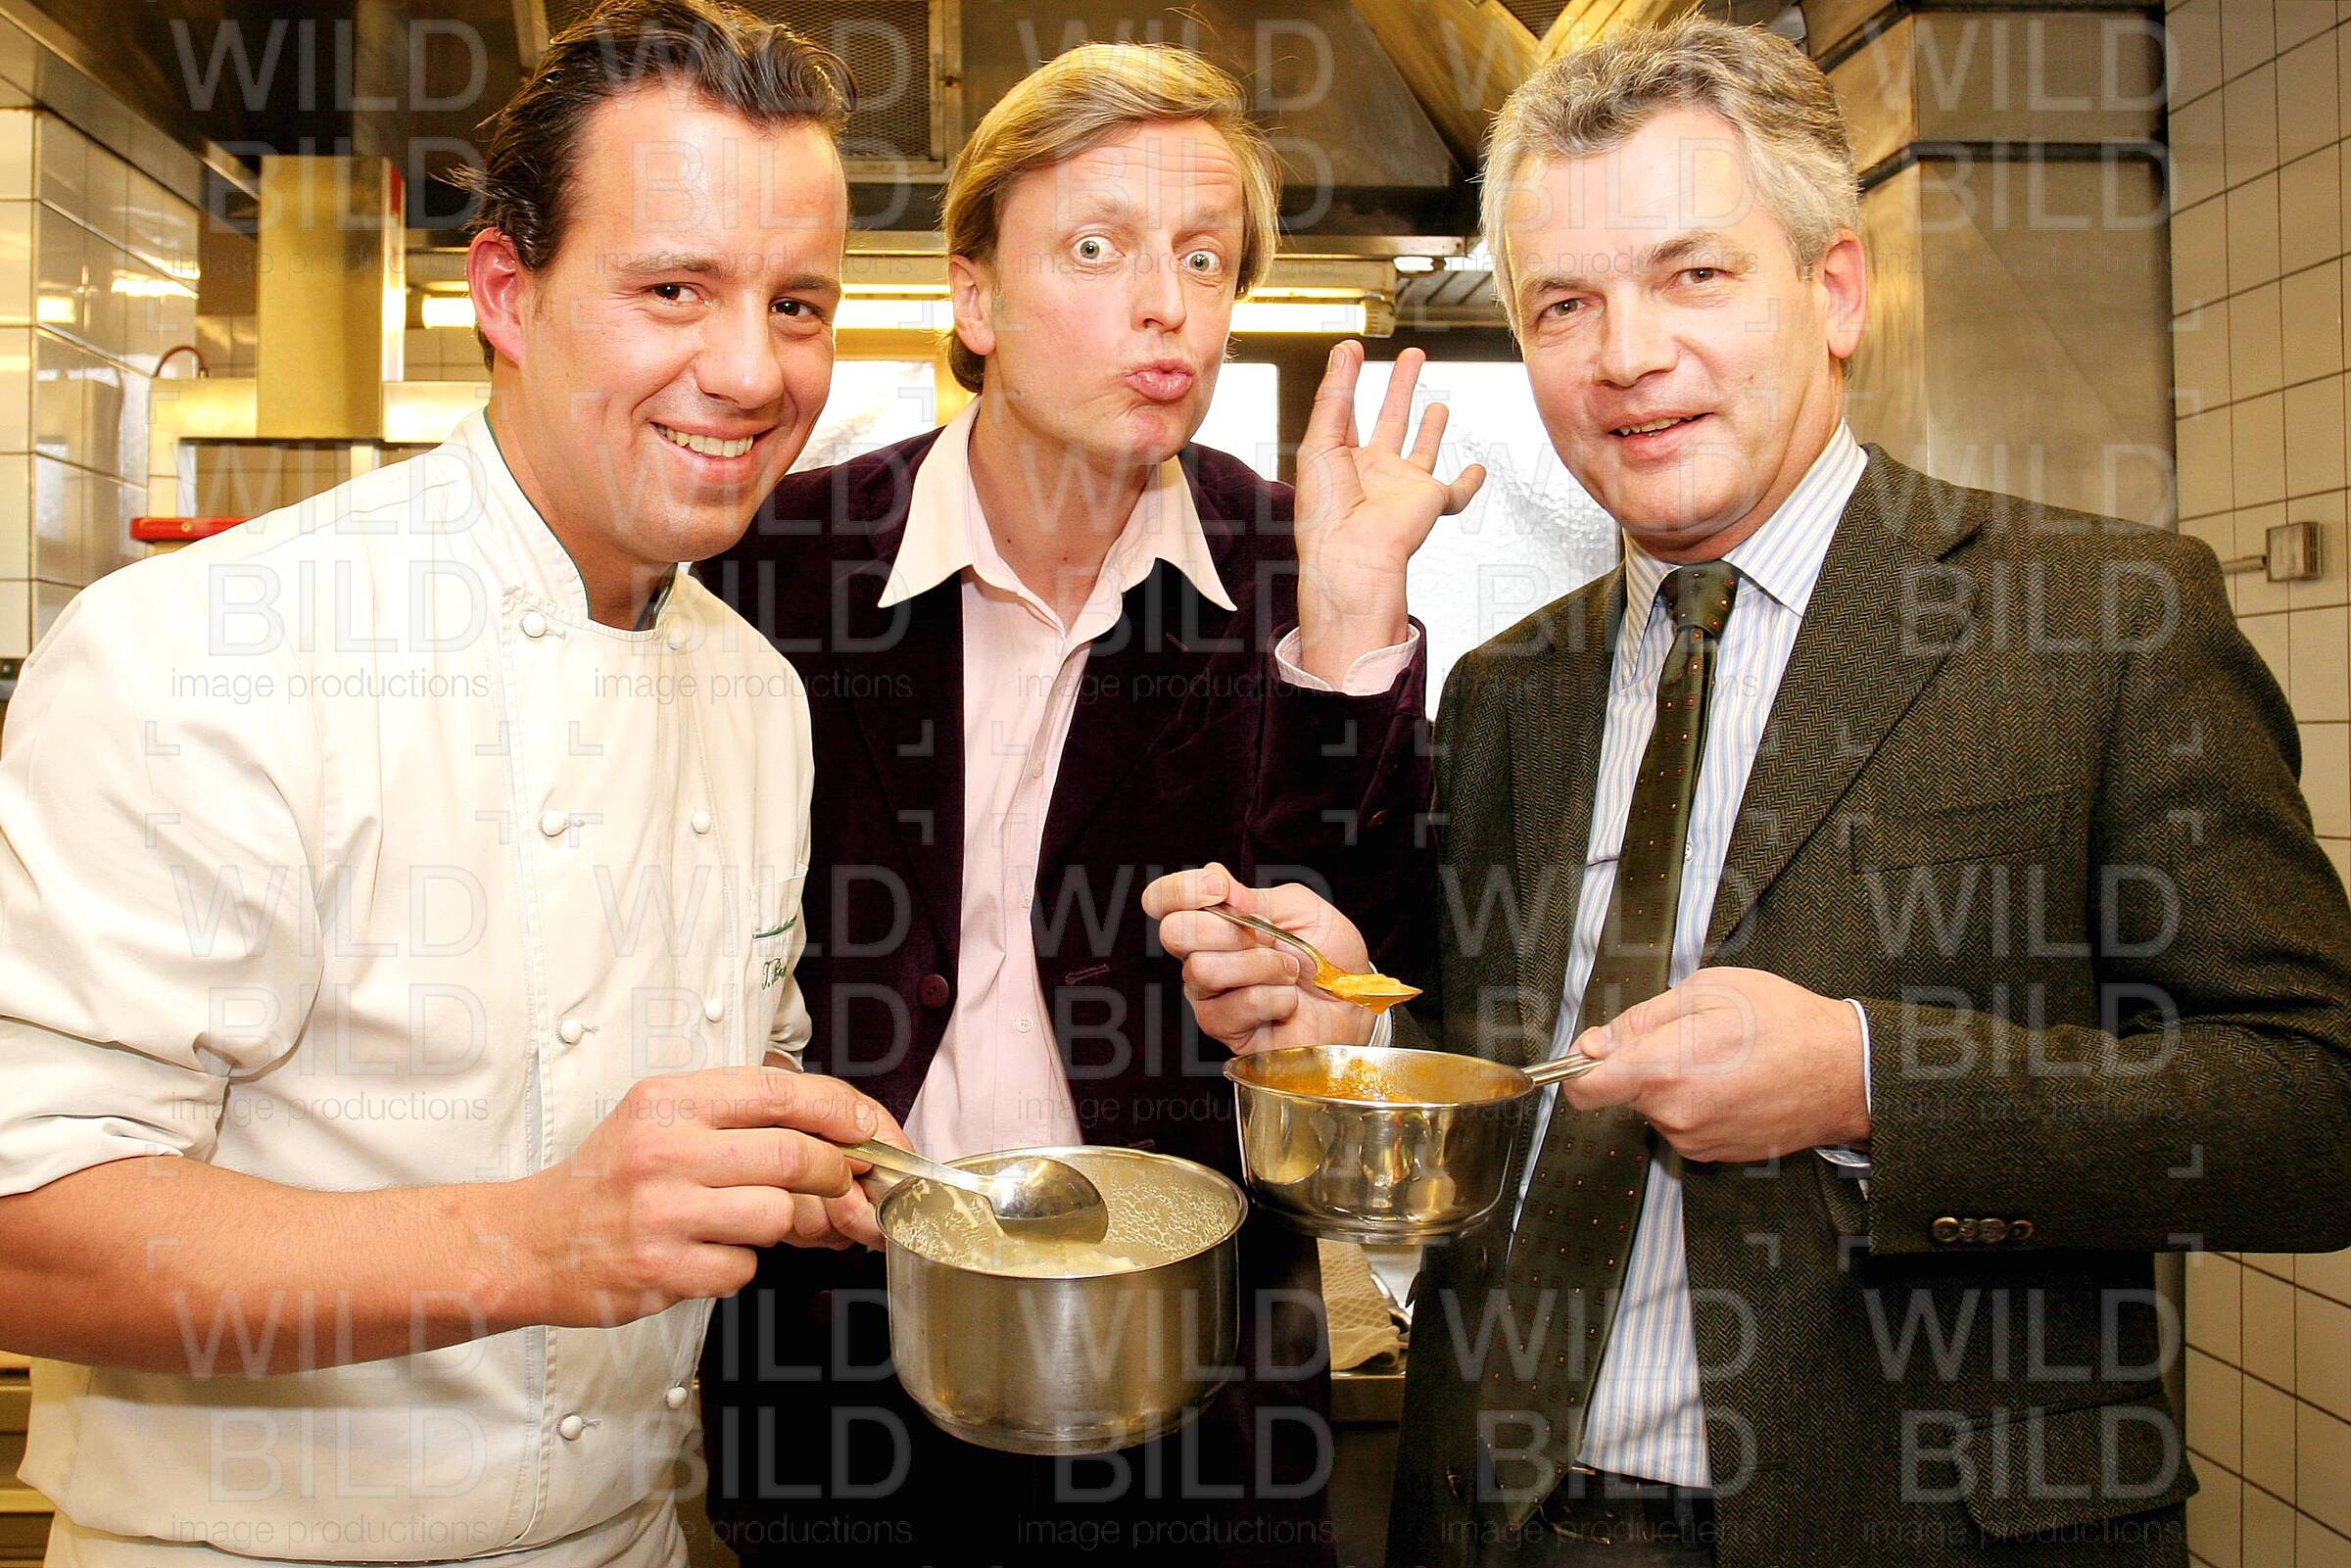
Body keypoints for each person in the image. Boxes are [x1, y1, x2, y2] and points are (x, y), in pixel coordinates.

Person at [1145, 17, 2351, 1567]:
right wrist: (1354, 1016)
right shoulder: (1512, 686)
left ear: (1835, 290)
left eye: (1694, 274)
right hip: (1505, 1519)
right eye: (1564, 303)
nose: (1627, 355)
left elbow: (2310, 1105)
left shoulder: (2104, 620)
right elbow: (1490, 1069)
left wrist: (1870, 1080)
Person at [0, 3, 907, 1564]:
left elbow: (710, 1070)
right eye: (672, 289)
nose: (752, 370)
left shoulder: (757, 696)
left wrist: (808, 1170)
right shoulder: (204, 648)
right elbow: (29, 1224)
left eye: (799, 304)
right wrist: (538, 1241)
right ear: (505, 293)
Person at [693, 40, 1477, 1568]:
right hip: (838, 1403)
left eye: (1204, 257)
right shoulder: (778, 565)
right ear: (976, 298)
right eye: (1098, 249)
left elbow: (1362, 952)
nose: (1165, 302)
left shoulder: (1298, 563)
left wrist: (1348, 630)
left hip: (1189, 1419)